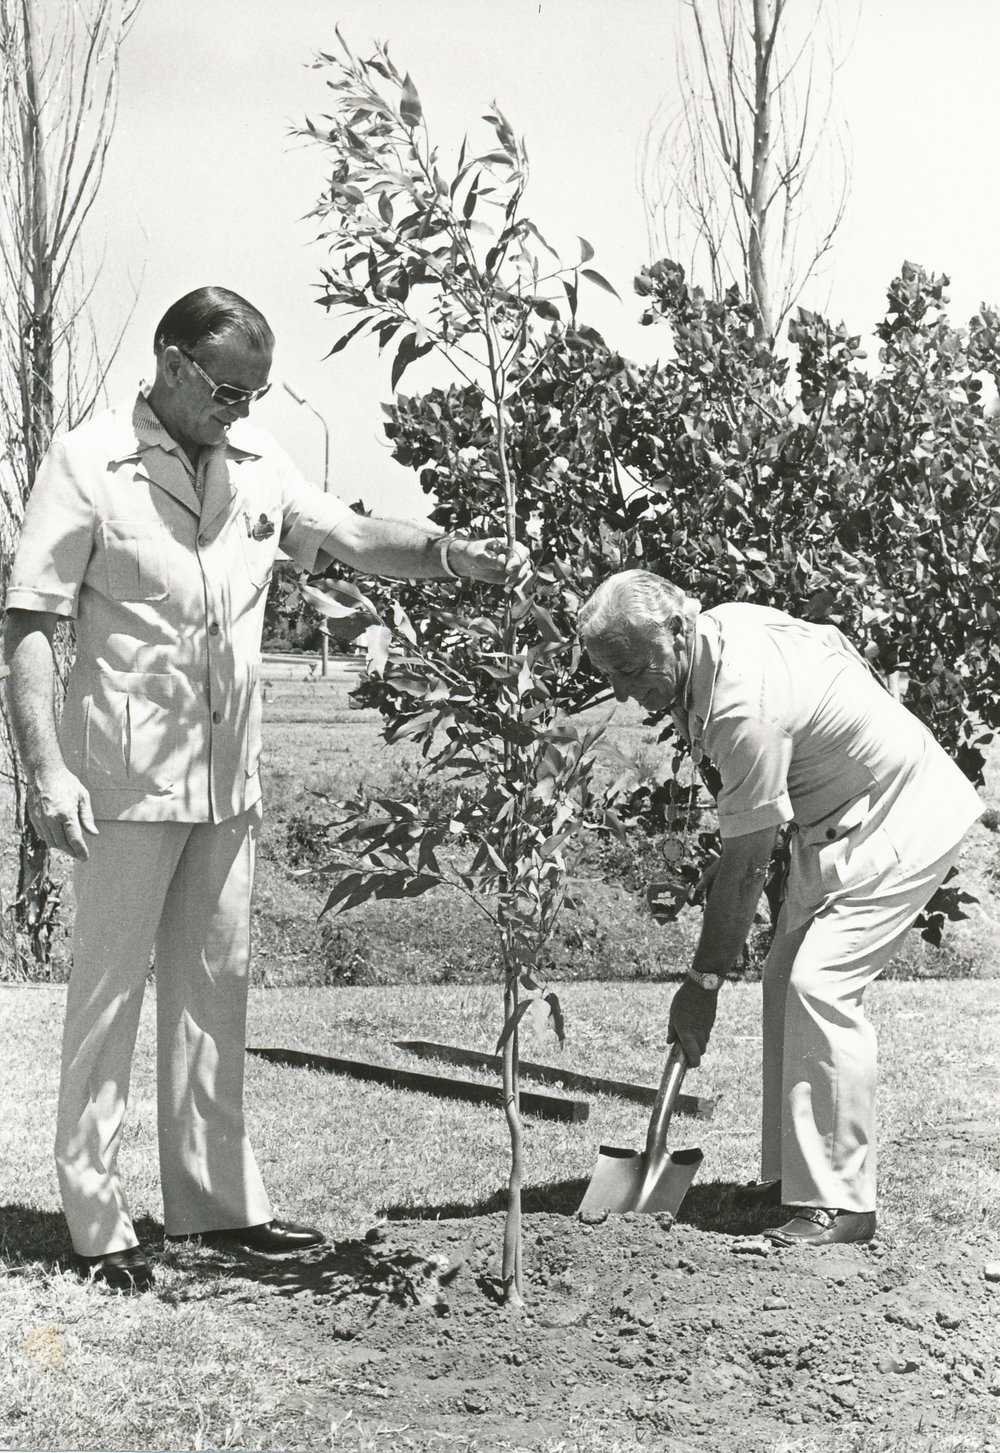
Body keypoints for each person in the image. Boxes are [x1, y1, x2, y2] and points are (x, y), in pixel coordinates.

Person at [4, 286, 527, 1294]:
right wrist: (45, 770)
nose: (239, 409)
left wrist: (455, 556)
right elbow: (30, 620)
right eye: (224, 388)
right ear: (167, 359)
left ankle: (216, 1209)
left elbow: (349, 536)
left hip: (224, 776)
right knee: (106, 1001)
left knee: (214, 995)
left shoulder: (257, 462)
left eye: (254, 391)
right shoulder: (87, 461)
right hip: (119, 780)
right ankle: (98, 1220)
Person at [578, 570, 982, 1248]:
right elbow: (828, 640)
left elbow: (742, 871)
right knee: (781, 979)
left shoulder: (742, 708)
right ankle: (790, 1181)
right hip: (837, 818)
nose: (623, 690)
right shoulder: (719, 629)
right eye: (609, 674)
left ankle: (840, 1204)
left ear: (678, 630)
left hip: (898, 811)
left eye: (631, 669)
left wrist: (702, 984)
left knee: (819, 986)